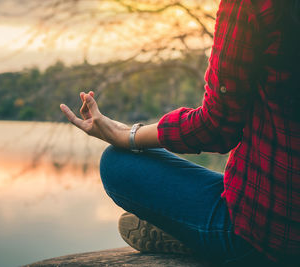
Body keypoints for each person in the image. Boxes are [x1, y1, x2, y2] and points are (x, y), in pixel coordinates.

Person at [60, 0, 300, 265]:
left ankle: (194, 236)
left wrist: (127, 136)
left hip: (269, 237)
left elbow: (217, 127)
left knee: (117, 163)